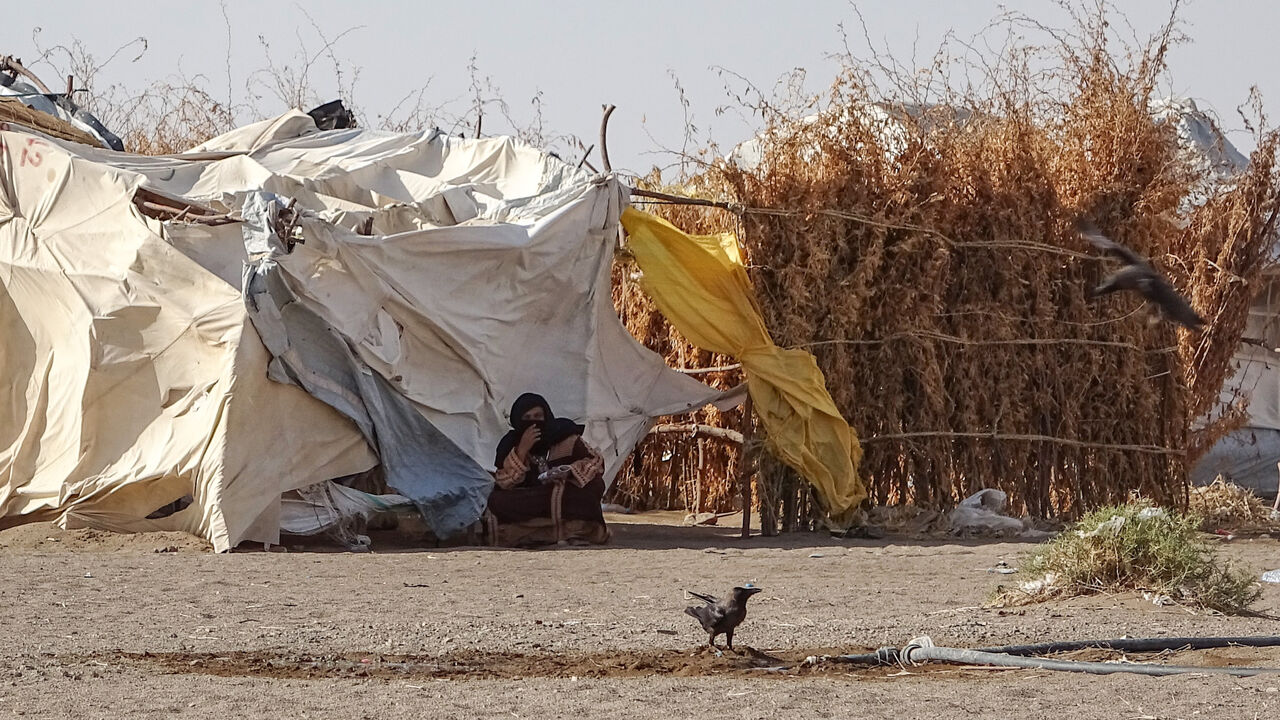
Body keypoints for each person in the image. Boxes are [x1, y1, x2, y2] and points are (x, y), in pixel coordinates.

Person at [487, 393, 609, 545]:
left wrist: (570, 471)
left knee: (592, 486)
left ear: (547, 415)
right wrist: (522, 450)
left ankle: (571, 532)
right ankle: (546, 534)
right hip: (534, 499)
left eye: (538, 415)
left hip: (568, 494)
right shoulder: (511, 444)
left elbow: (596, 461)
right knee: (497, 500)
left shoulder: (567, 437)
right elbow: (504, 482)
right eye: (527, 418)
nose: (534, 423)